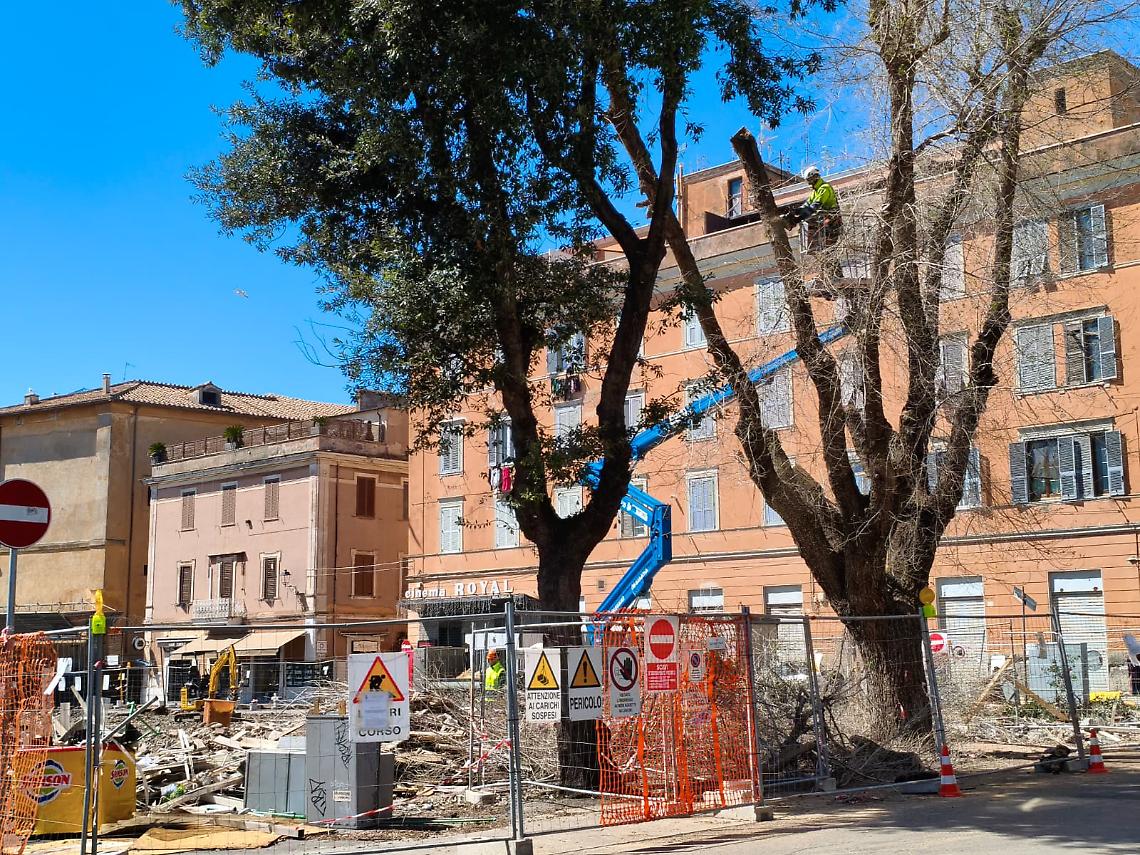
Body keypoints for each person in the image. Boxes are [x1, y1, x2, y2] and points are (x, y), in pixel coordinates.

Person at [783, 166, 842, 253]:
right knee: (810, 219)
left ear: (815, 177)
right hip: (826, 219)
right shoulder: (816, 191)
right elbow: (807, 205)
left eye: (810, 180)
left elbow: (814, 207)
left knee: (811, 219)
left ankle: (813, 245)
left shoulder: (824, 188)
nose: (809, 183)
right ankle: (812, 245)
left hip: (832, 220)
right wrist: (795, 211)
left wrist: (797, 219)